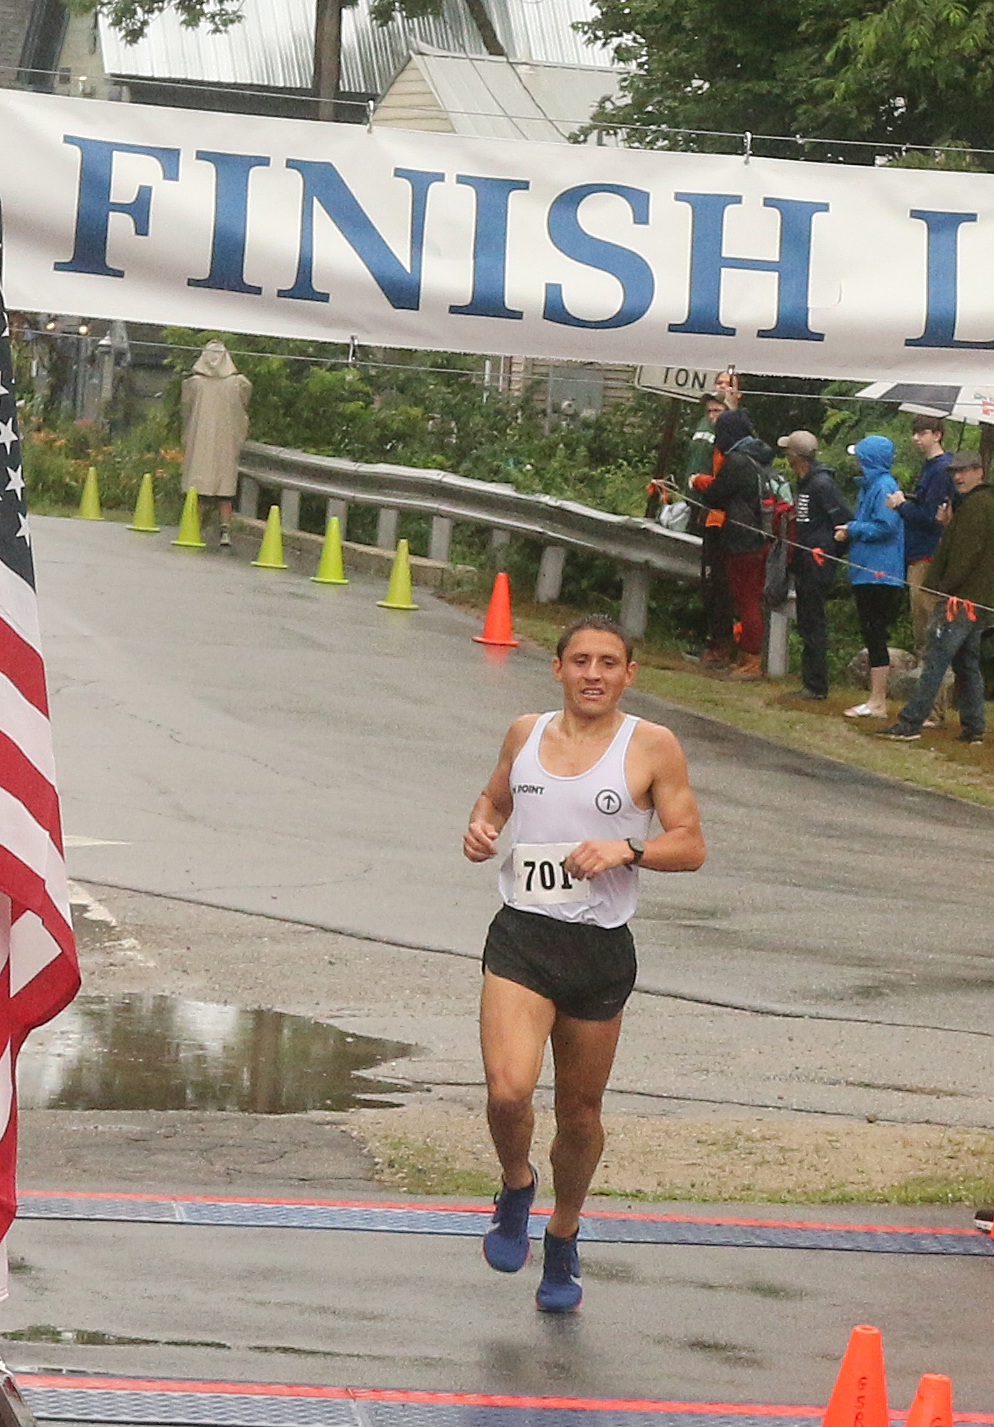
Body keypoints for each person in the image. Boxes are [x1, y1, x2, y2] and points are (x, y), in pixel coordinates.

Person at [462, 616, 705, 1312]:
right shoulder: (525, 733)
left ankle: (564, 1232)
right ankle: (516, 1185)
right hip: (523, 936)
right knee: (509, 1089)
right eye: (580, 661)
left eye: (608, 662)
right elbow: (495, 798)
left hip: (599, 948)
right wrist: (481, 827)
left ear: (629, 673)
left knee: (579, 1113)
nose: (593, 674)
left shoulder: (652, 746)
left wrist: (627, 849)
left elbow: (690, 843)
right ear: (558, 669)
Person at [879, 450, 994, 743]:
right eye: (954, 471)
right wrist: (948, 523)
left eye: (964, 471)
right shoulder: (977, 505)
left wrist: (942, 587)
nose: (958, 476)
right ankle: (974, 727)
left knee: (935, 659)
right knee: (966, 663)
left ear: (979, 472)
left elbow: (966, 555)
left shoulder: (977, 506)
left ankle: (910, 722)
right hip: (974, 599)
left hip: (960, 600)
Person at [885, 415, 957, 723]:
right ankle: (927, 707)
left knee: (931, 636)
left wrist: (901, 505)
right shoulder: (932, 468)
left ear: (937, 434)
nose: (916, 438)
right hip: (920, 556)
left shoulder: (941, 470)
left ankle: (933, 710)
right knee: (927, 637)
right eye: (914, 432)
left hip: (928, 559)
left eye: (923, 432)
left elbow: (931, 519)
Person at [698, 409, 775, 681]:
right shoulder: (760, 456)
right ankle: (745, 655)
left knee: (747, 601)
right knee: (748, 599)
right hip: (760, 535)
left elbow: (715, 495)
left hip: (742, 540)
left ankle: (752, 661)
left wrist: (699, 482)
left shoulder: (737, 460)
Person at [834, 436, 905, 720]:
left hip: (880, 573)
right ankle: (876, 700)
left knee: (875, 634)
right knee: (872, 633)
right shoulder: (872, 486)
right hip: (867, 569)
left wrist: (853, 528)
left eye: (861, 458)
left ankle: (878, 702)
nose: (858, 463)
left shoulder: (884, 485)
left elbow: (887, 526)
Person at [779, 431, 852, 700]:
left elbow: (844, 521)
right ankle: (810, 681)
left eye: (788, 451)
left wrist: (830, 552)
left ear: (795, 456)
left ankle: (816, 685)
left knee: (813, 621)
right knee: (806, 620)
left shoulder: (822, 484)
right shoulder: (805, 482)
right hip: (804, 559)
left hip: (817, 561)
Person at [181, 339, 252, 547]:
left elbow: (186, 410)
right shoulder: (238, 383)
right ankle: (225, 530)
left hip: (200, 442)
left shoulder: (195, 384)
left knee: (198, 486)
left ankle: (192, 526)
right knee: (225, 488)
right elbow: (244, 404)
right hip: (225, 442)